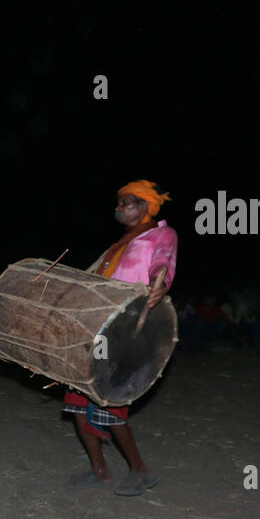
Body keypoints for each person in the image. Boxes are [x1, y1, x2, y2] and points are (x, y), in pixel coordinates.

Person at [65, 180, 177, 496]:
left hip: (130, 328)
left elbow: (163, 262)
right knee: (76, 402)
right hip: (99, 325)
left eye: (127, 202)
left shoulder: (161, 234)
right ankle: (99, 470)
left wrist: (161, 282)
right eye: (118, 203)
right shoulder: (118, 243)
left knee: (111, 404)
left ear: (147, 206)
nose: (119, 208)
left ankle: (139, 471)